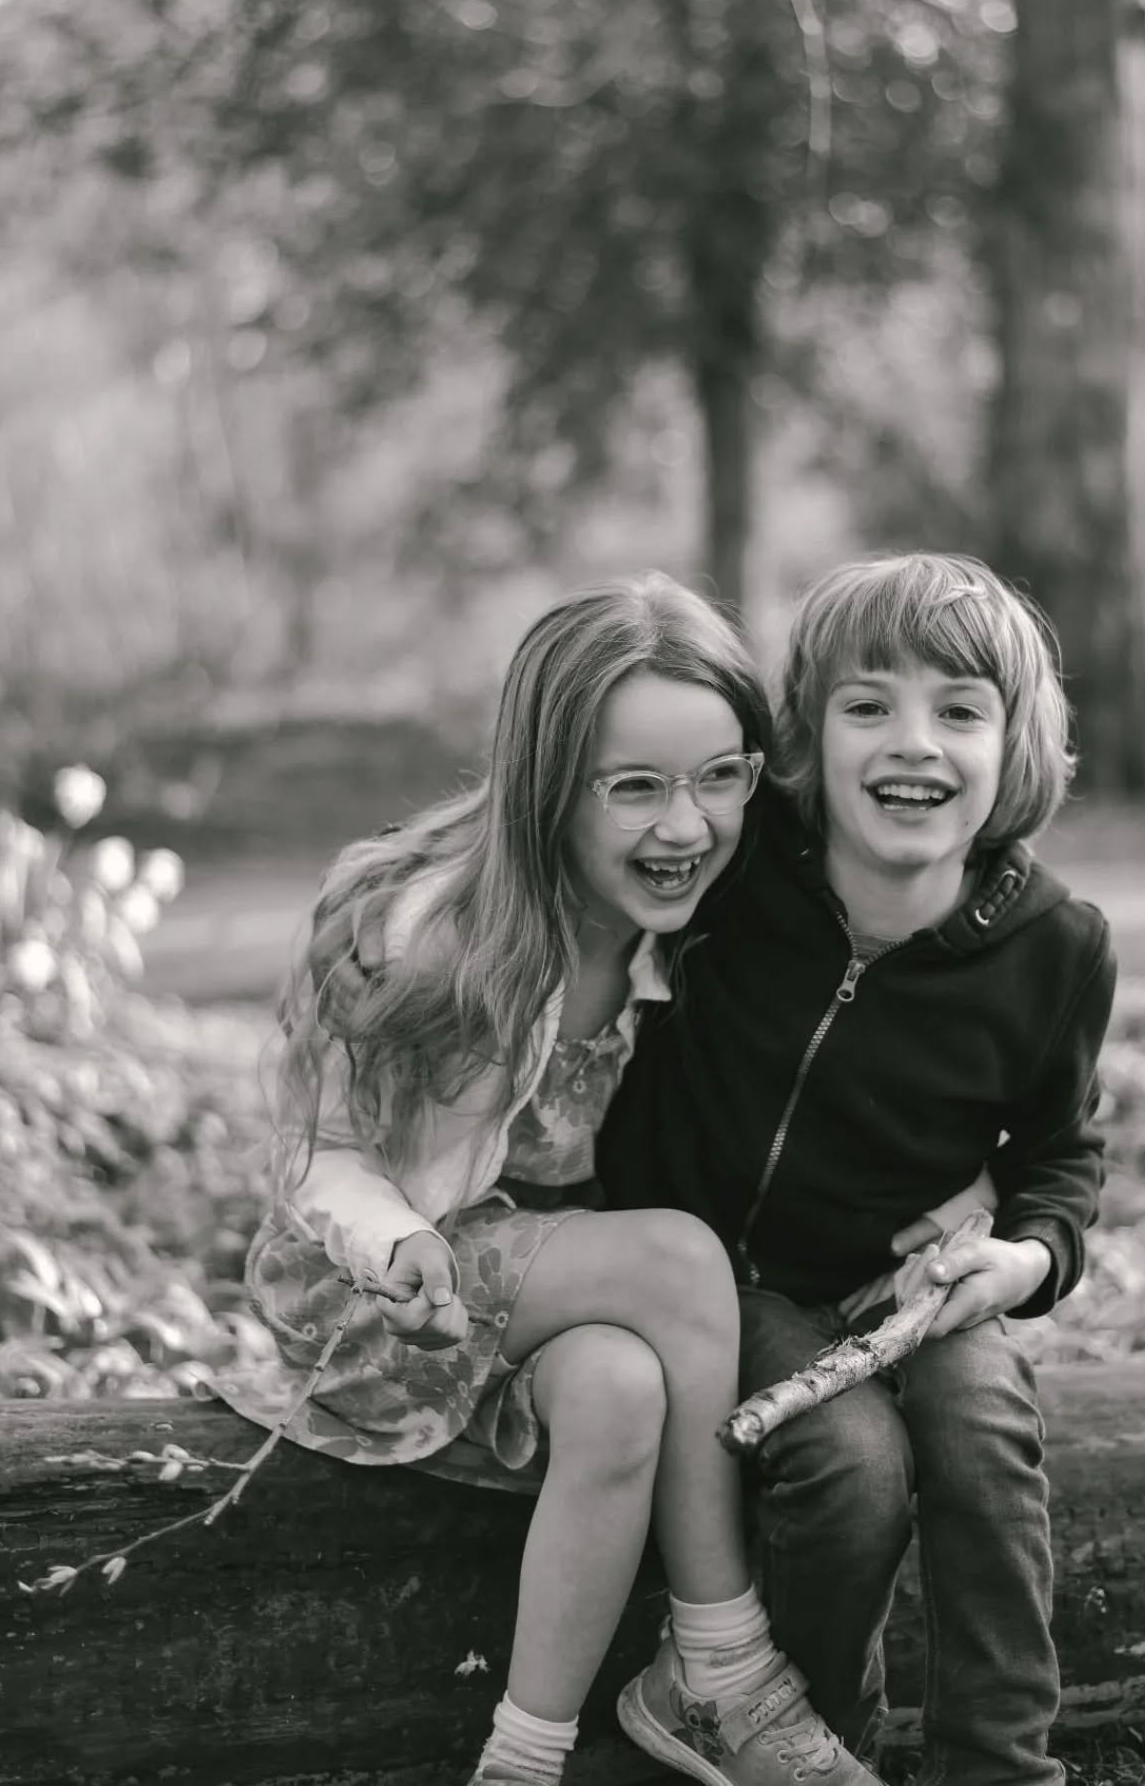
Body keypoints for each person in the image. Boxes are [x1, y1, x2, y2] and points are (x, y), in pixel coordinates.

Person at [216, 574, 883, 1786]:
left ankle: (520, 1759)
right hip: (375, 1287)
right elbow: (320, 1151)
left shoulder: (693, 925)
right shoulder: (427, 925)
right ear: (546, 781)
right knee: (679, 1259)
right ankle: (723, 1668)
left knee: (625, 1389)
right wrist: (390, 1247)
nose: (685, 826)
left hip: (543, 1298)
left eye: (721, 776)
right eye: (634, 786)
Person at [597, 552, 1118, 1786]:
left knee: (985, 1425)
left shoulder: (1057, 950)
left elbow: (1061, 1151)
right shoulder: (744, 870)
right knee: (849, 1466)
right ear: (808, 736)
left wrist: (1024, 1254)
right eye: (866, 703)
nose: (913, 742)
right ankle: (814, 1740)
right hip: (731, 1281)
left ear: (1015, 743)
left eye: (959, 709)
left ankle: (998, 1759)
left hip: (914, 1282)